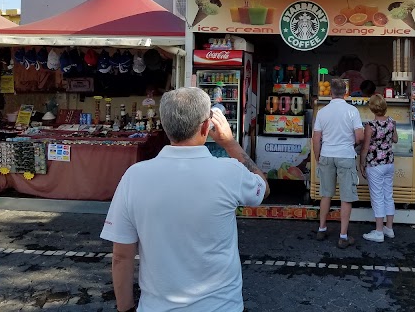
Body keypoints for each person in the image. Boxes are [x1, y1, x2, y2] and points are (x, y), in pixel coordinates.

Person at [100, 87, 270, 312]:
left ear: (165, 124)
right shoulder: (230, 172)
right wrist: (230, 143)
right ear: (206, 127)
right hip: (221, 307)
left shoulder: (135, 176)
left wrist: (125, 309)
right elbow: (264, 188)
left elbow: (121, 256)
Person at [312, 78, 364, 248]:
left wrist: (318, 157)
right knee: (346, 197)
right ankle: (343, 236)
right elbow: (359, 137)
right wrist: (351, 145)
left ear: (330, 92)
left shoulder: (322, 112)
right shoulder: (352, 111)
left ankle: (322, 229)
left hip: (326, 154)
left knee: (326, 194)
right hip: (345, 156)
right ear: (346, 92)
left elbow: (316, 138)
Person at [360, 94, 398, 243]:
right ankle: (389, 228)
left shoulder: (370, 126)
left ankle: (379, 231)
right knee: (388, 195)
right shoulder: (391, 122)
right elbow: (395, 139)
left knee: (377, 197)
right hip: (389, 163)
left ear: (372, 108)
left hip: (375, 164)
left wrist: (361, 164)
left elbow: (365, 147)